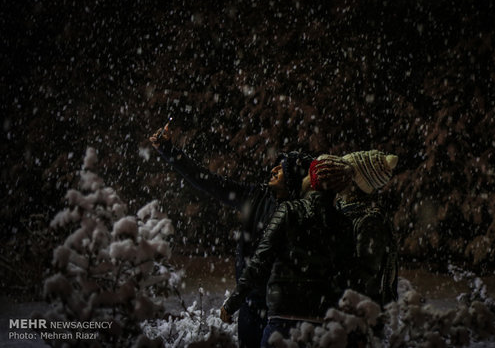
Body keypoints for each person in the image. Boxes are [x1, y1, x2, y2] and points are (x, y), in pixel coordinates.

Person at [149, 123, 313, 348]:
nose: (274, 170)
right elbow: (208, 181)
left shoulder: (303, 213)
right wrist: (169, 151)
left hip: (283, 308)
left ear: (294, 178)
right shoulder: (256, 197)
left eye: (282, 168)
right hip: (251, 302)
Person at [220, 156, 355, 348]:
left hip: (282, 316)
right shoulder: (344, 224)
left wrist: (232, 303)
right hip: (320, 320)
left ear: (314, 179)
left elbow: (260, 260)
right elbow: (345, 276)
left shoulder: (289, 211)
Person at [338, 150, 399, 307]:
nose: (338, 177)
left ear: (356, 182)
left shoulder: (370, 221)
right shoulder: (349, 212)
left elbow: (364, 275)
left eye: (344, 172)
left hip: (360, 314)